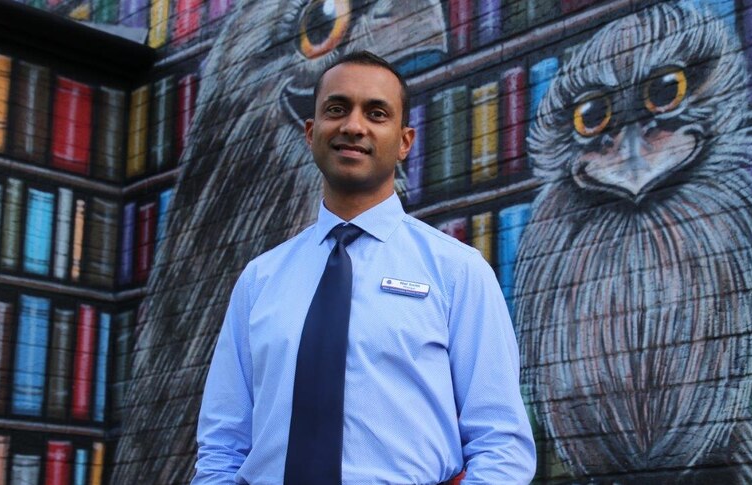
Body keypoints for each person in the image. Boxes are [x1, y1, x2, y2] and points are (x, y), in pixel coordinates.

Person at [192, 50, 536, 485]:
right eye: (337, 109)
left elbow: (501, 443)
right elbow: (223, 444)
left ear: (405, 140)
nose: (353, 126)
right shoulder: (259, 280)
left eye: (376, 113)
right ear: (312, 131)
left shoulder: (458, 271)